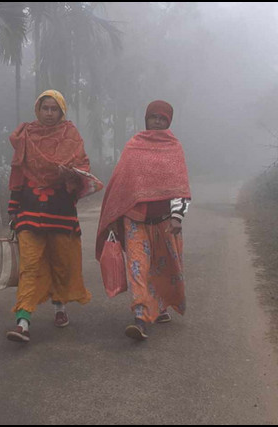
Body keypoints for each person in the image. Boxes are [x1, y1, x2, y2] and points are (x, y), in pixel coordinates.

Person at [95, 100, 191, 341]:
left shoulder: (174, 147)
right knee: (138, 268)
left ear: (168, 122)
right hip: (135, 220)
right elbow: (121, 184)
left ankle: (160, 306)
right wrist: (114, 218)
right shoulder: (134, 146)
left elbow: (180, 186)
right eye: (153, 117)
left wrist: (178, 217)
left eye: (162, 118)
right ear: (146, 120)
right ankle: (140, 318)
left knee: (166, 267)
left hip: (165, 221)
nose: (157, 121)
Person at [5, 90, 93, 343]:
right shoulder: (26, 136)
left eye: (55, 109)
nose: (49, 113)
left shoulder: (71, 137)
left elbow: (83, 171)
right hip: (29, 211)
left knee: (61, 264)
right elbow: (18, 173)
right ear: (37, 109)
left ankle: (59, 306)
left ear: (62, 111)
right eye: (45, 107)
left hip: (61, 212)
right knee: (29, 266)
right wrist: (13, 209)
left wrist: (71, 176)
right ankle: (23, 320)